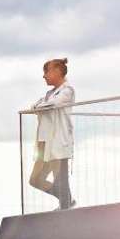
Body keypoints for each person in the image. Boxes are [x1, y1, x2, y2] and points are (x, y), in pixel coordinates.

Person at [29, 57, 75, 209]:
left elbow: (52, 105)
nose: (44, 76)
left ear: (57, 71)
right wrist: (39, 106)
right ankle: (66, 199)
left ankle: (65, 205)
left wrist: (39, 106)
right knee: (35, 180)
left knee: (60, 179)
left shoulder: (67, 91)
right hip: (43, 143)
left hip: (57, 143)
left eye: (46, 71)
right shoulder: (49, 93)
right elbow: (34, 106)